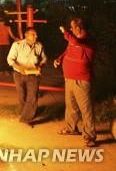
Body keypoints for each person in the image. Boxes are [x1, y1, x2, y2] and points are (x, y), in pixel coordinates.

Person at [54, 18, 96, 147]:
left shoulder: (87, 41)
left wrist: (64, 32)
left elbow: (75, 42)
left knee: (86, 109)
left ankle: (90, 136)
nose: (71, 30)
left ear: (78, 28)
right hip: (69, 78)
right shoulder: (73, 40)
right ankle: (71, 128)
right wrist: (59, 59)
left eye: (72, 28)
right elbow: (68, 50)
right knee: (71, 106)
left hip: (81, 80)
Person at [7, 27, 47, 124]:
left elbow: (44, 58)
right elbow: (10, 59)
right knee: (22, 96)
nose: (36, 36)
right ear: (26, 35)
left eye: (36, 34)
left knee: (32, 96)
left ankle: (26, 118)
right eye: (33, 34)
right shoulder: (17, 45)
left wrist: (40, 66)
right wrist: (21, 69)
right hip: (19, 74)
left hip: (33, 74)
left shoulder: (39, 45)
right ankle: (24, 112)